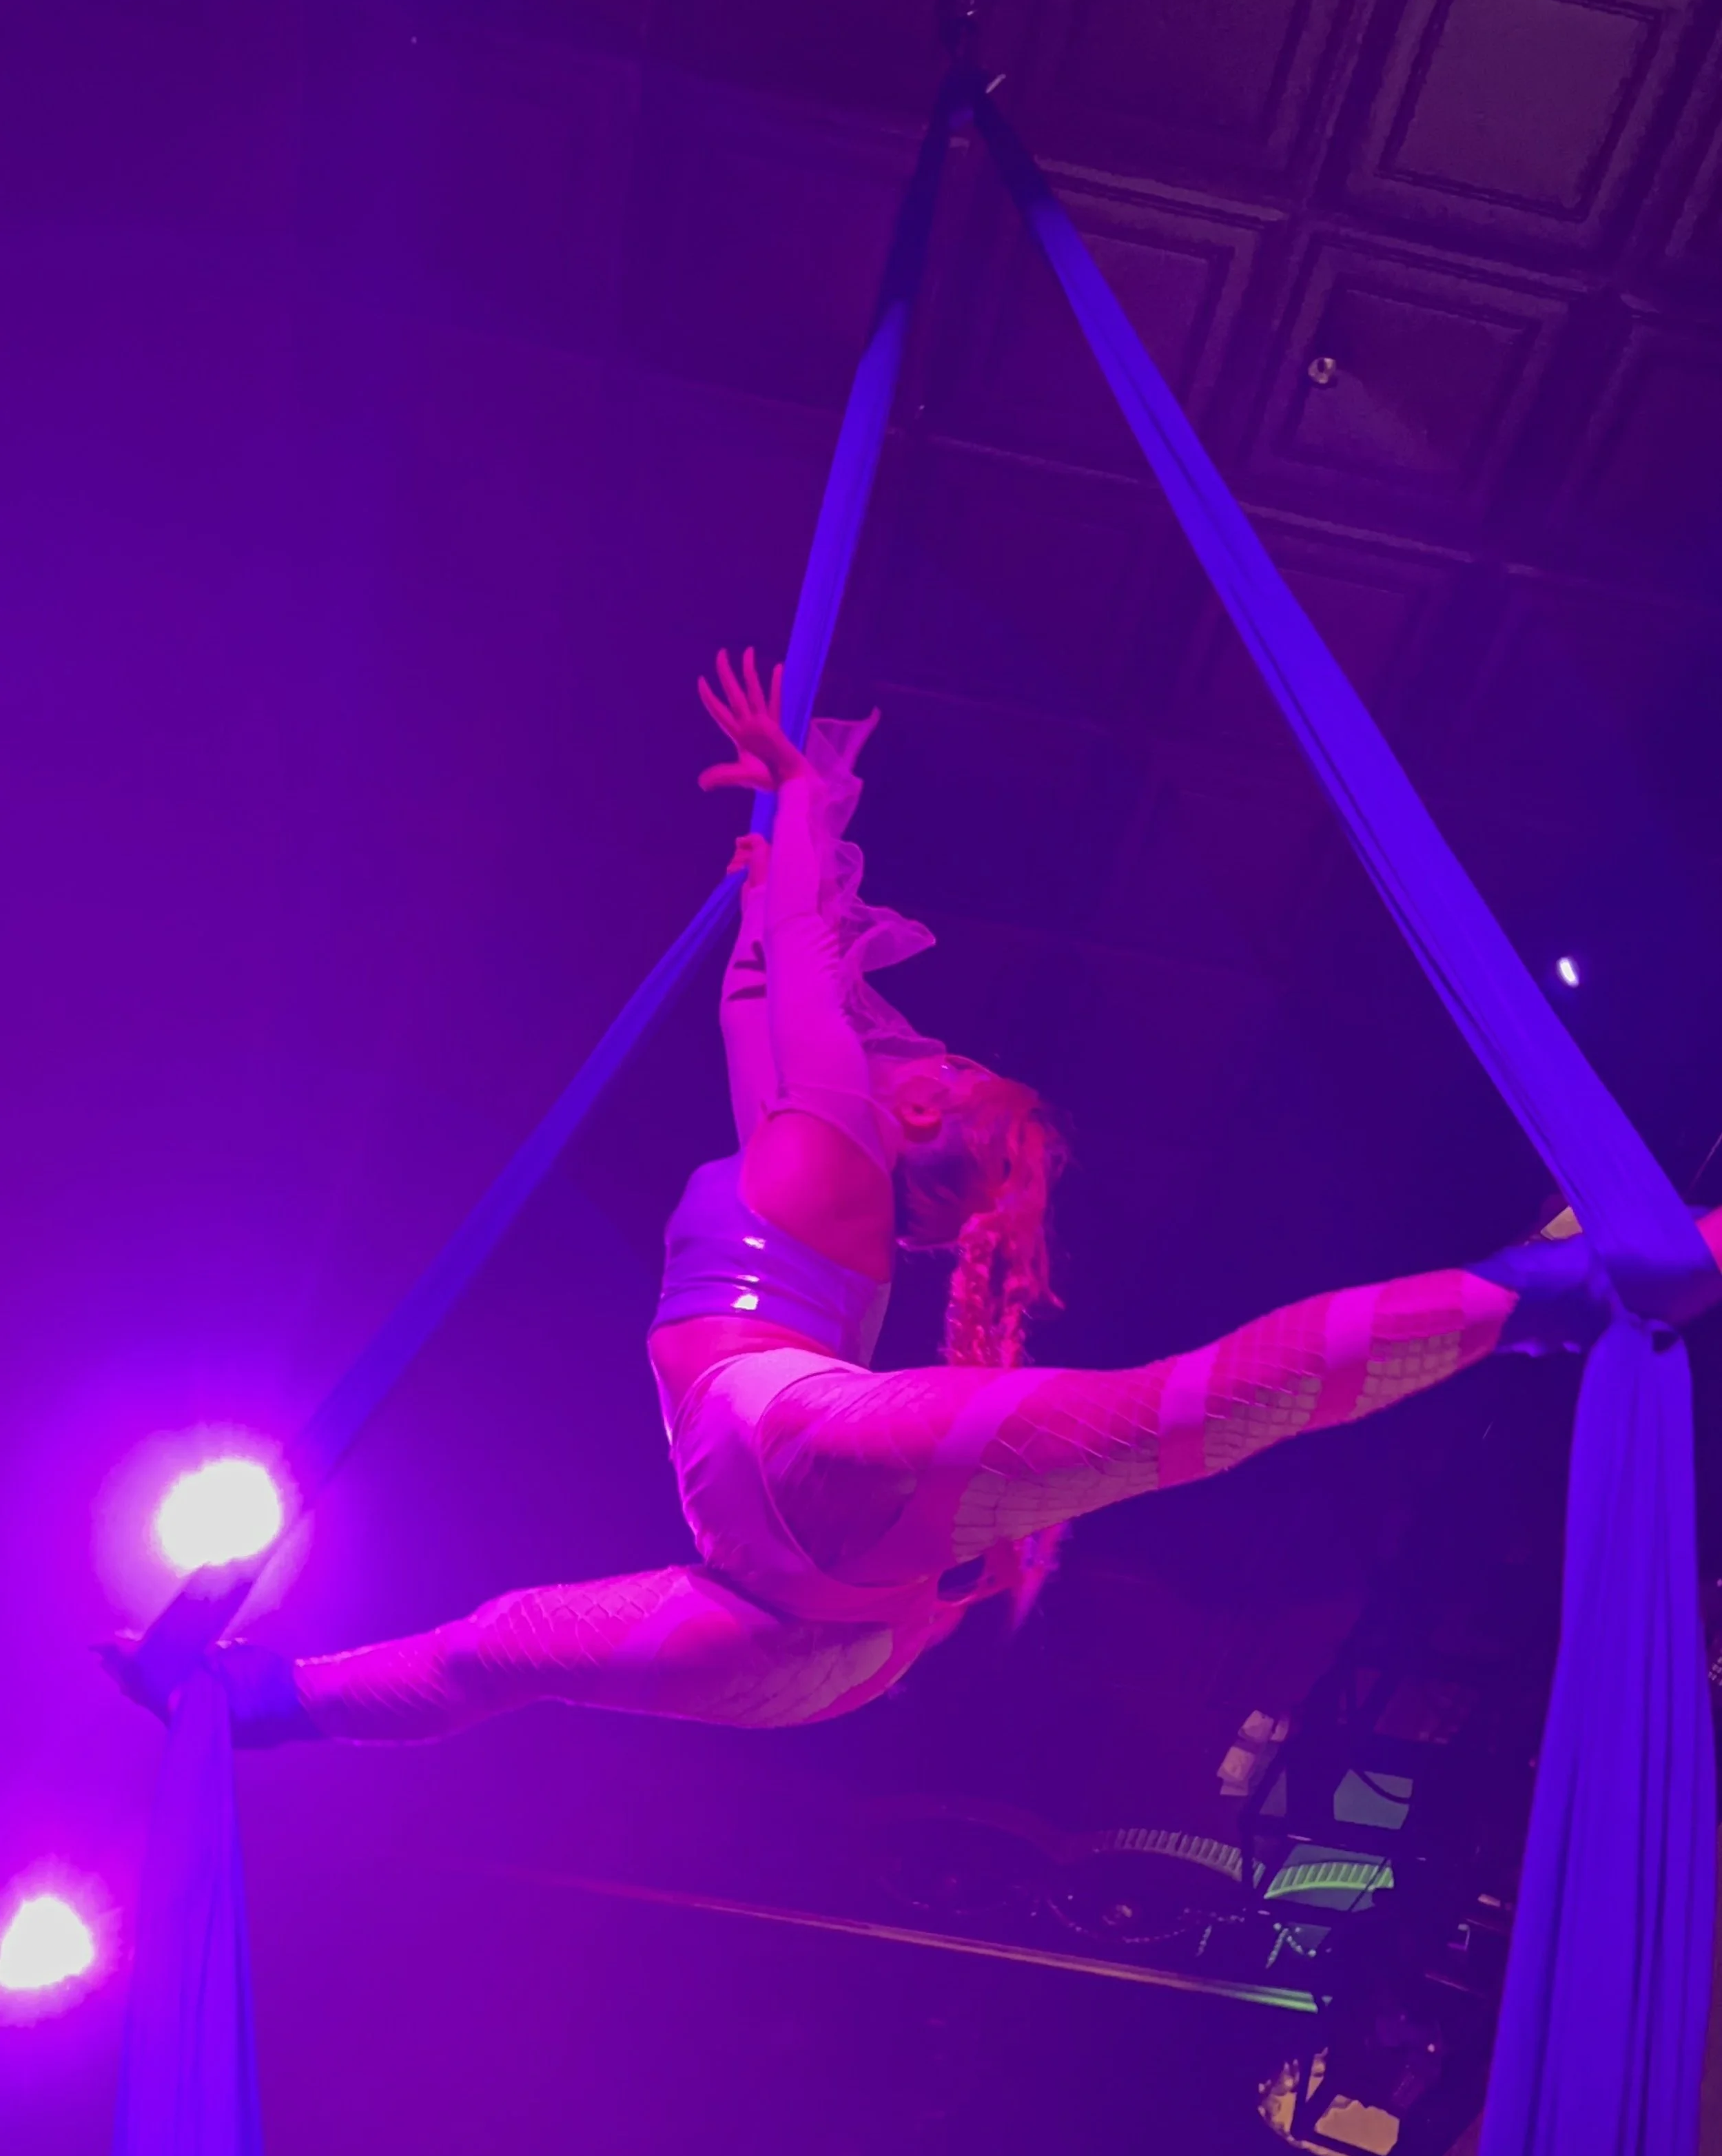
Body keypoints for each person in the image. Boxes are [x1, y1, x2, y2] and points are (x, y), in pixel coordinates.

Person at [109, 649, 1718, 1749]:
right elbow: (764, 988)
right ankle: (248, 1705)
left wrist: (799, 806)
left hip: (793, 1536)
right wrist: (773, 865)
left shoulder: (831, 1151)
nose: (908, 1043)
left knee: (507, 1645)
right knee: (499, 1648)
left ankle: (1546, 1290)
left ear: (929, 1105)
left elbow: (791, 980)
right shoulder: (815, 1174)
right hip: (812, 1612)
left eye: (934, 1055)